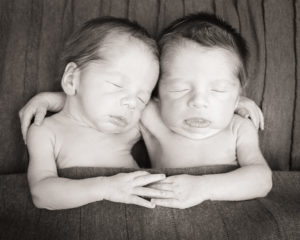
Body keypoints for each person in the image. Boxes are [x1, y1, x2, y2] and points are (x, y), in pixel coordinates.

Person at [25, 17, 171, 210]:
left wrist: (50, 99)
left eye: (141, 98)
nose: (130, 103)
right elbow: (41, 193)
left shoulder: (131, 127)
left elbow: (176, 115)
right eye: (117, 85)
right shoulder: (45, 131)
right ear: (71, 79)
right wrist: (105, 188)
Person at [140, 13, 272, 209]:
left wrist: (204, 188)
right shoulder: (153, 117)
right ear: (156, 90)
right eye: (180, 88)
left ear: (237, 94)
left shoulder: (238, 128)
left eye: (218, 90)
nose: (199, 102)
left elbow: (262, 180)